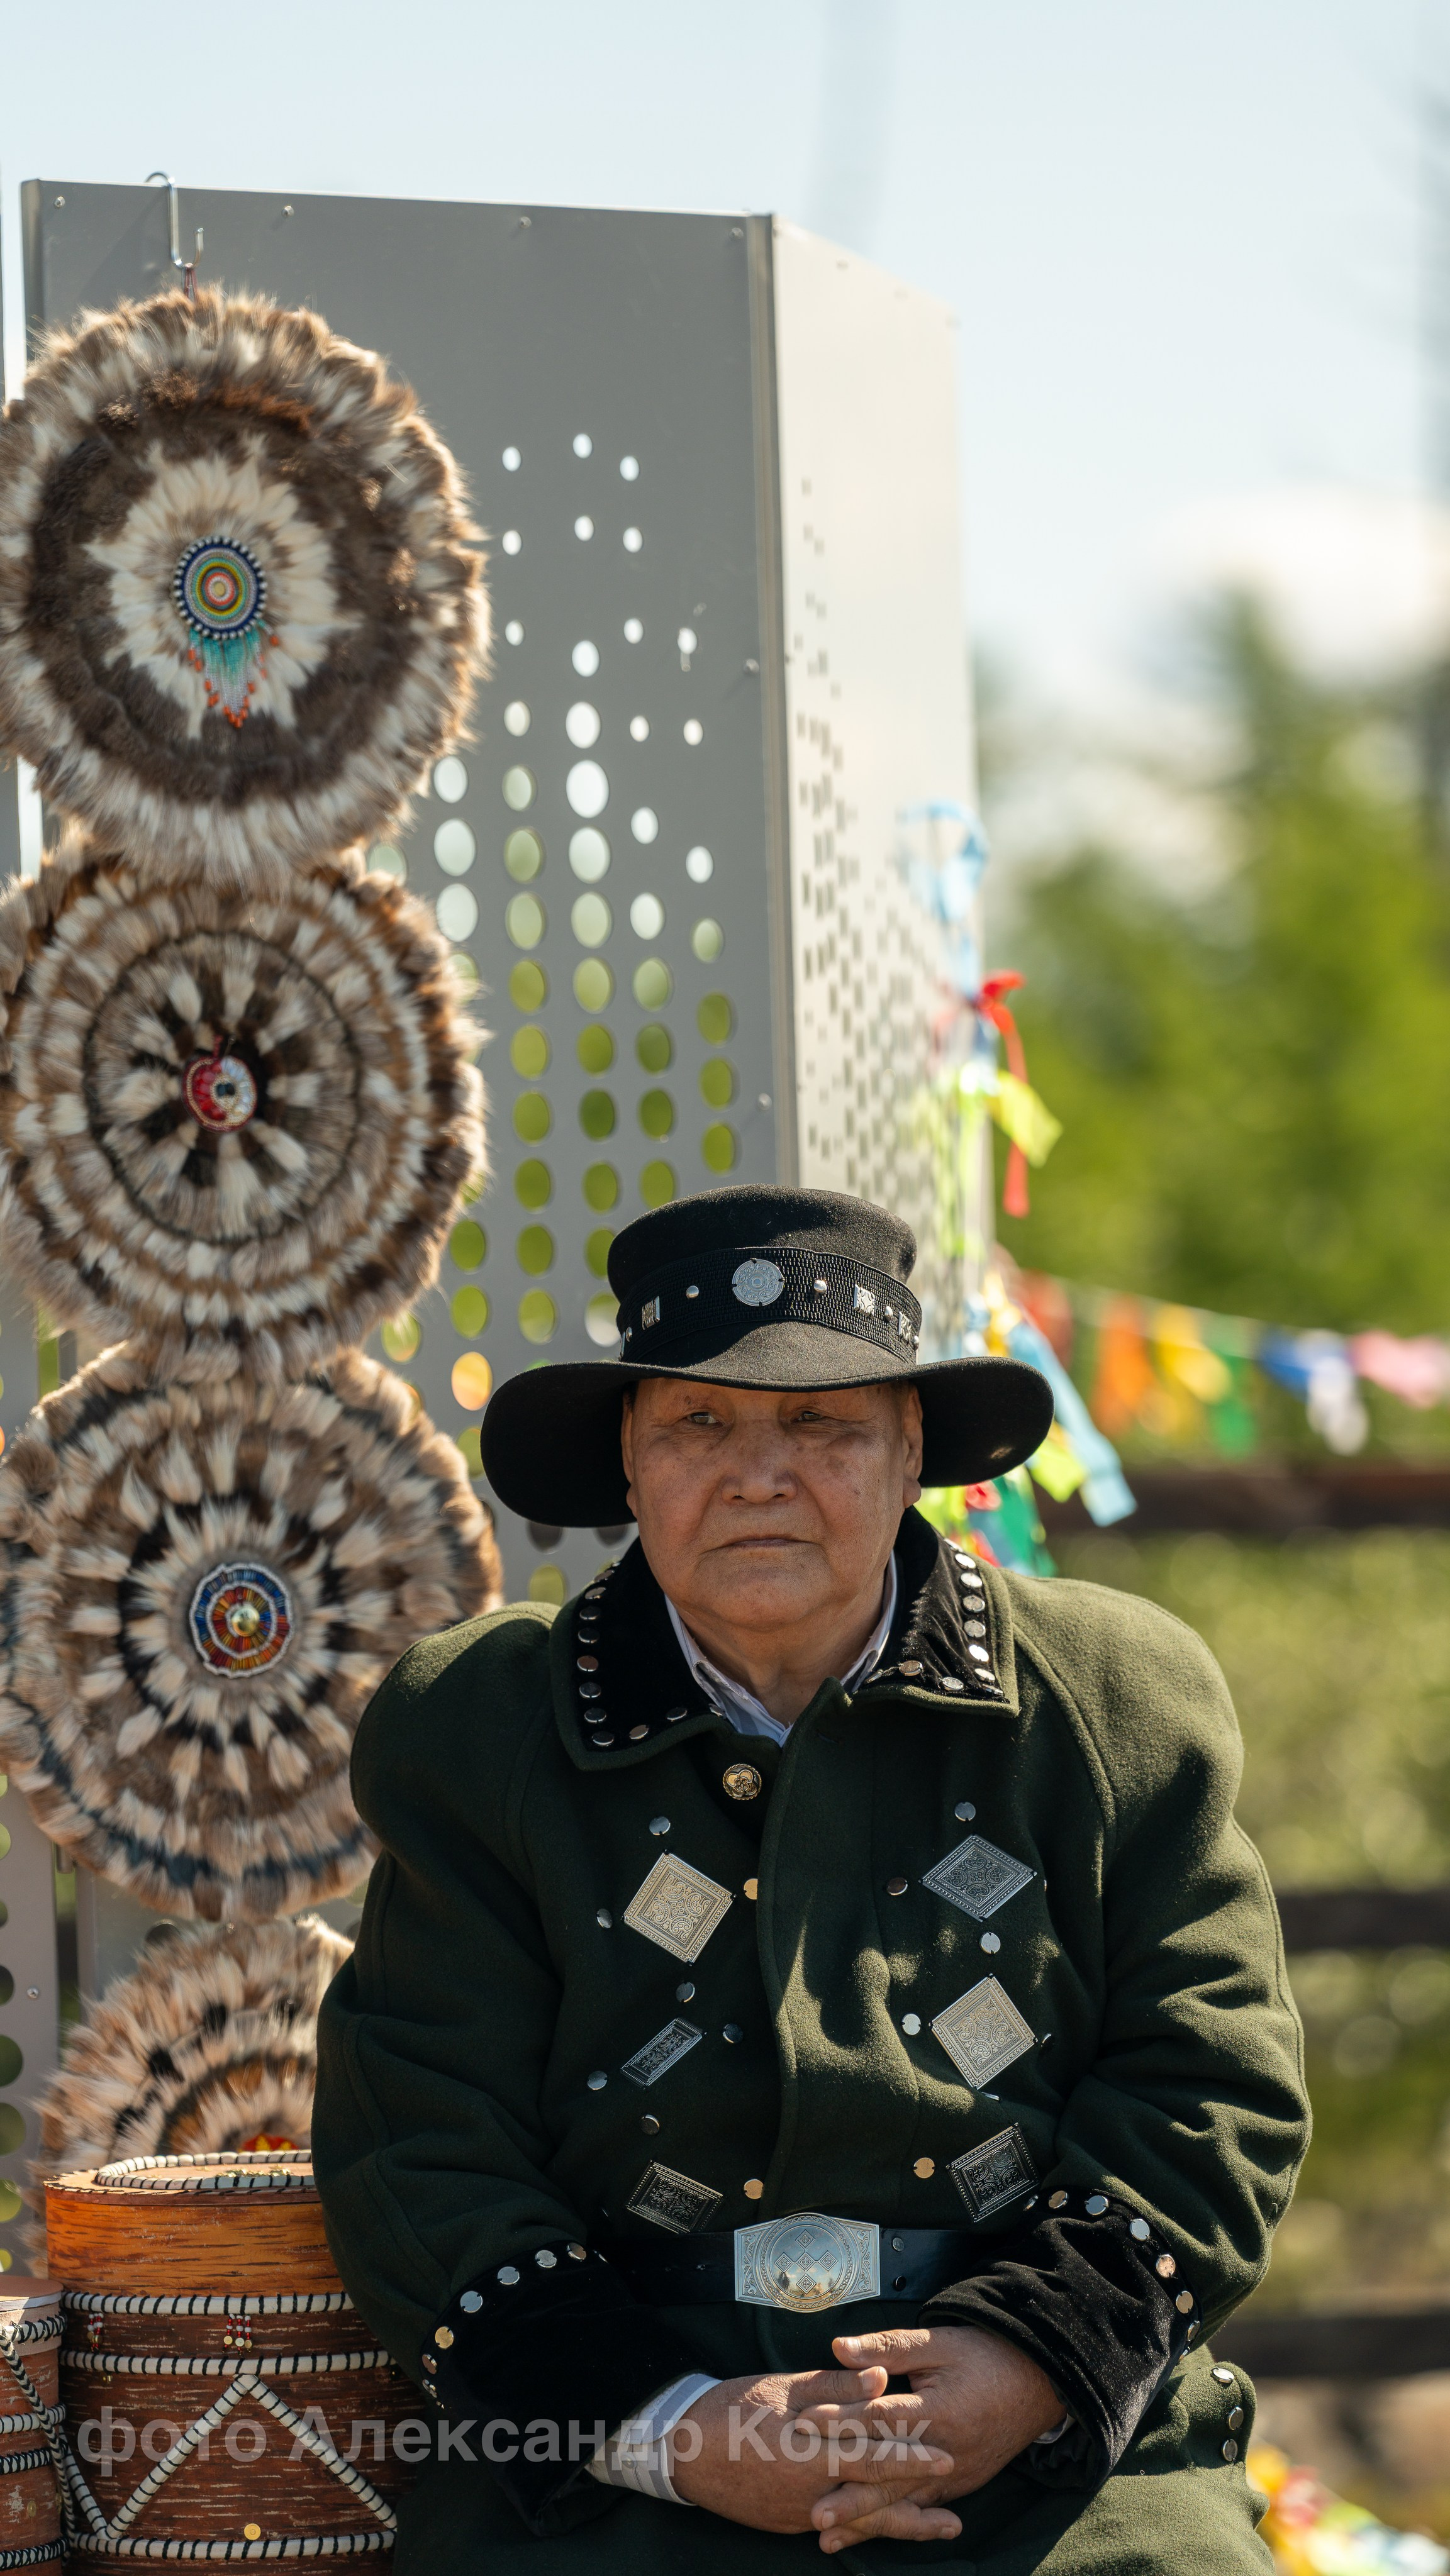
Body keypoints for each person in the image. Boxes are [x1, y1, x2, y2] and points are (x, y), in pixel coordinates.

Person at [313, 1184, 1310, 2573]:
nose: (756, 1475)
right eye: (697, 1423)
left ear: (911, 1453)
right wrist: (668, 2425)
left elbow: (1210, 2080)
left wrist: (1025, 2365)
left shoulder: (1111, 1697)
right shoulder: (480, 1728)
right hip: (622, 2446)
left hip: (1052, 2453)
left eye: (820, 1422)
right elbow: (420, 2133)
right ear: (629, 1461)